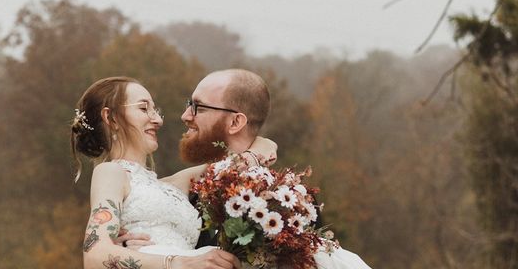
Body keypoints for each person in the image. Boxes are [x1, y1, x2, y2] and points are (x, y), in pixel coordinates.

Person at [120, 69, 373, 269]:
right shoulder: (177, 196)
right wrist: (127, 250)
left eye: (198, 107)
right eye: (189, 104)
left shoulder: (289, 204)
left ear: (235, 121)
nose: (186, 115)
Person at [70, 76, 277, 269]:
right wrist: (180, 262)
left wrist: (254, 155)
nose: (158, 120)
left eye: (156, 111)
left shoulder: (176, 183)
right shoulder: (111, 172)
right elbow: (95, 254)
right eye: (144, 108)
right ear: (111, 118)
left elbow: (261, 146)